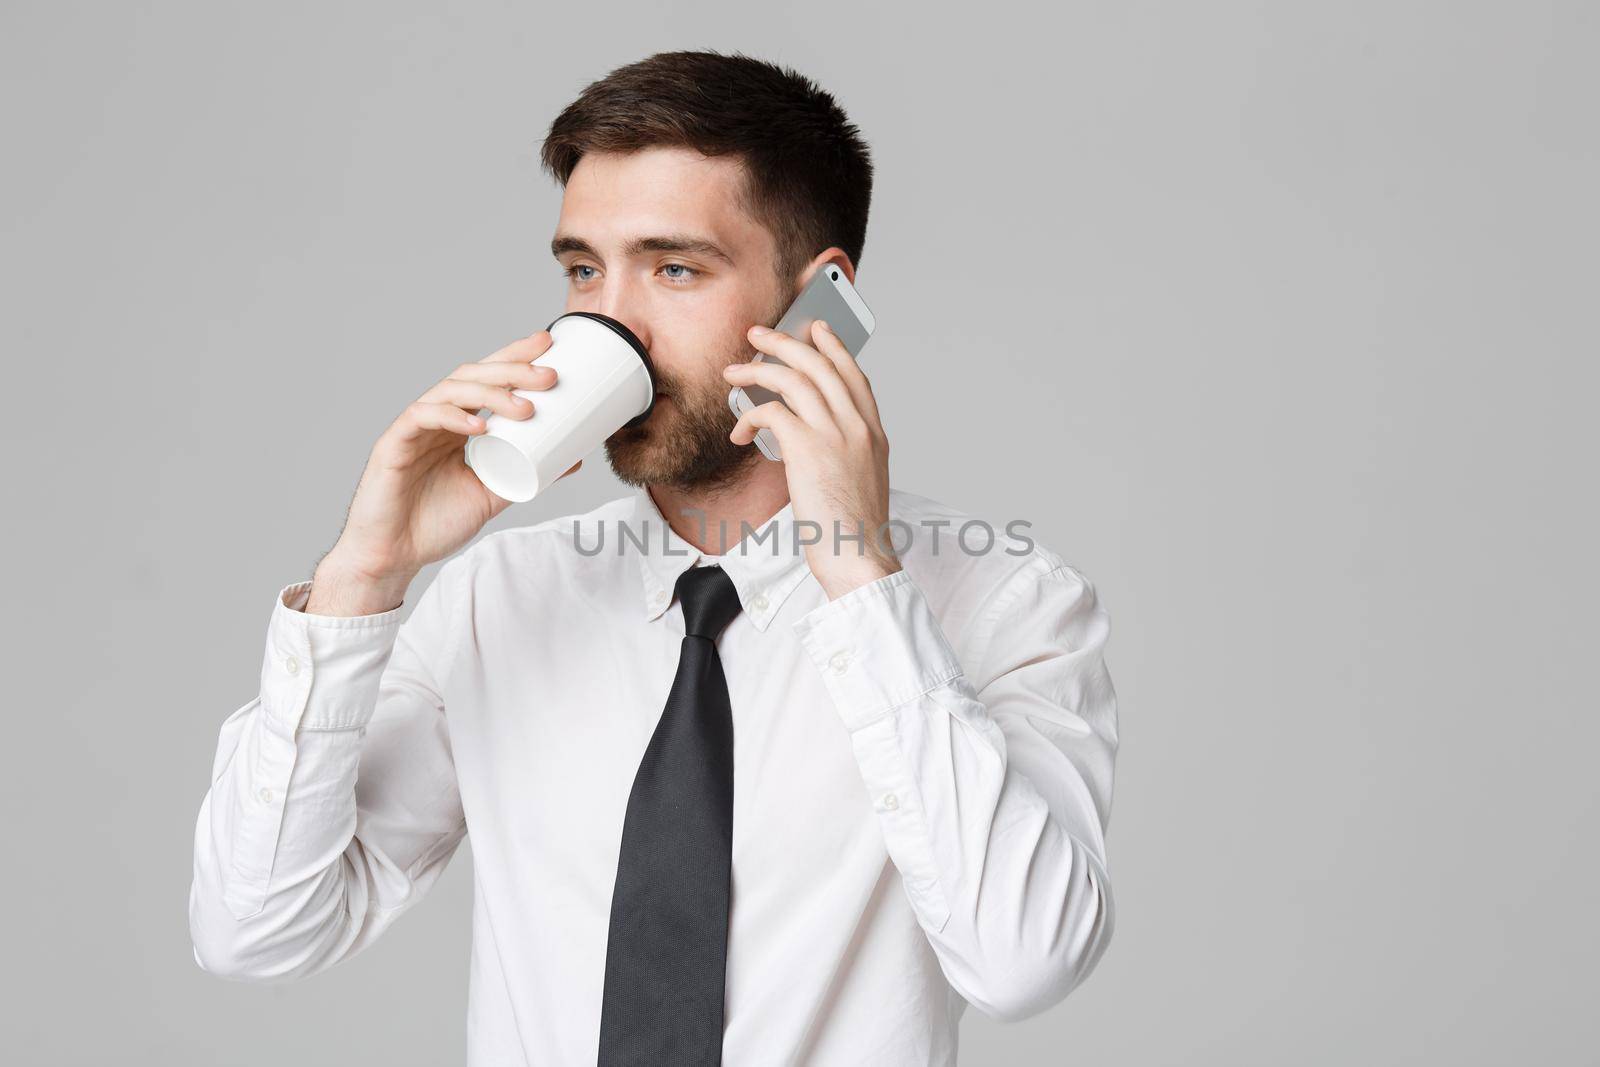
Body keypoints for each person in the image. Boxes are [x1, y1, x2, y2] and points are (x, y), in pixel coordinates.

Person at [188, 49, 1120, 1067]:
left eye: (674, 268)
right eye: (583, 268)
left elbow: (1027, 961)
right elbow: (256, 930)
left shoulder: (1006, 603)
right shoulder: (498, 598)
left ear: (820, 306)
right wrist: (361, 579)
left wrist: (858, 574)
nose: (605, 319)